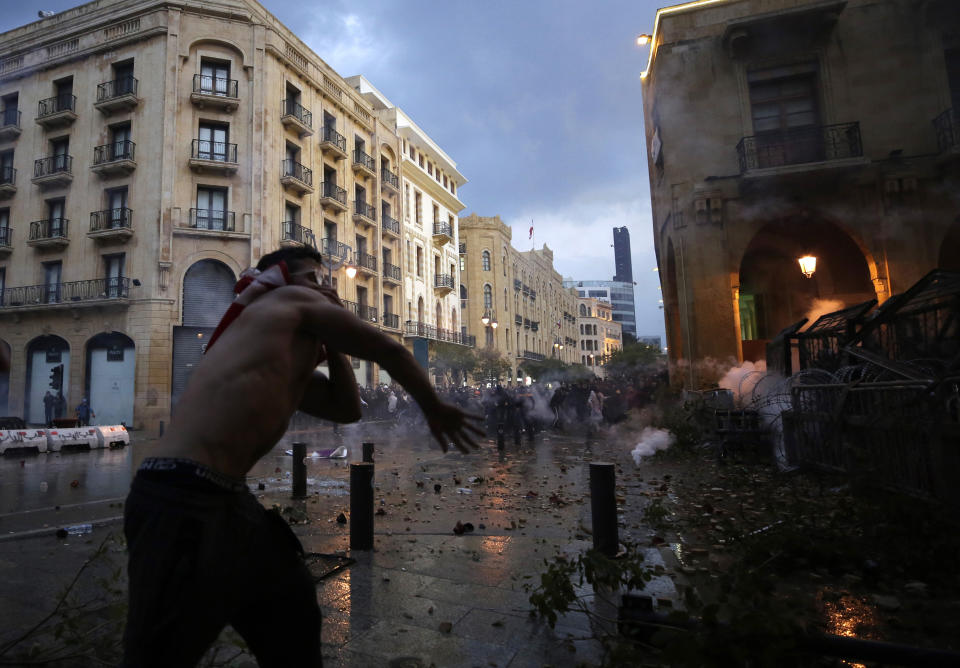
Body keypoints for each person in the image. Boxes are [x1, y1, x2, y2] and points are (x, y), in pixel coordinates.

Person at [121, 246, 482, 668]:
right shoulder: (288, 299)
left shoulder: (277, 348)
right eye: (318, 276)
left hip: (229, 501)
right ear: (289, 277)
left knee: (292, 617)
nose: (327, 285)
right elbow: (392, 351)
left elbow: (347, 409)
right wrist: (433, 407)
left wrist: (333, 340)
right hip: (180, 493)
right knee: (161, 653)